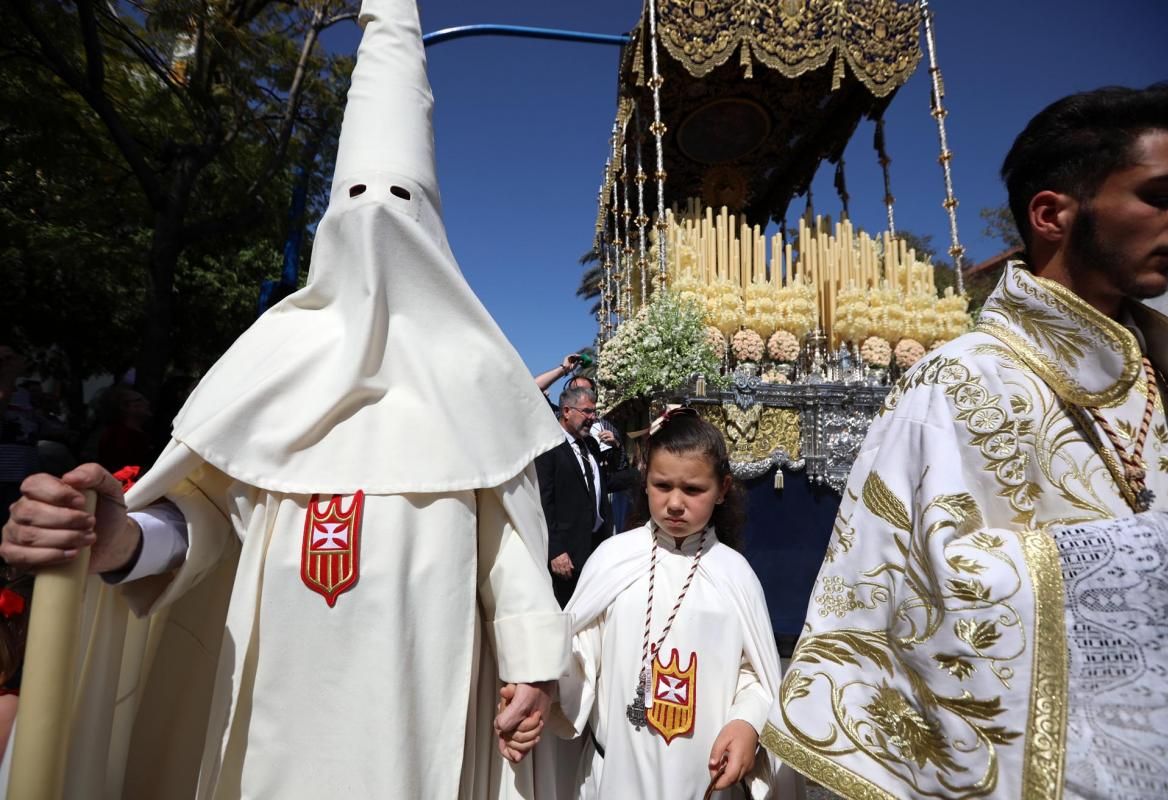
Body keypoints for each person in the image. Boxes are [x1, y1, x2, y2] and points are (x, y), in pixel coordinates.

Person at [0, 1, 568, 797]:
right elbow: (201, 522)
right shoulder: (269, 364)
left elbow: (511, 555)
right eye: (357, 199)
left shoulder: (475, 381)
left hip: (419, 692)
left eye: (398, 203)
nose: (377, 223)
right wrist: (120, 535)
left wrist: (533, 668)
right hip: (272, 709)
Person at [764, 83, 1168, 798]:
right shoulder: (958, 382)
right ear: (1053, 214)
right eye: (1163, 193)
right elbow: (914, 596)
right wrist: (1159, 554)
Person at [519, 408, 794, 798]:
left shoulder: (735, 575)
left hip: (705, 781)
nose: (676, 503)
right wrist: (546, 678)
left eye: (694, 490)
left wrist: (746, 723)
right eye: (662, 486)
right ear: (644, 481)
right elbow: (582, 652)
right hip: (616, 775)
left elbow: (755, 674)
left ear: (722, 488)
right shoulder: (613, 559)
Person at [535, 386, 630, 607]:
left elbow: (604, 482)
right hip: (567, 555)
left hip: (596, 546)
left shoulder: (592, 445)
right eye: (587, 411)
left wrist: (618, 450)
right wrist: (555, 550)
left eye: (594, 411)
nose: (593, 417)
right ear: (567, 411)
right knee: (568, 613)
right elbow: (543, 502)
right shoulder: (548, 446)